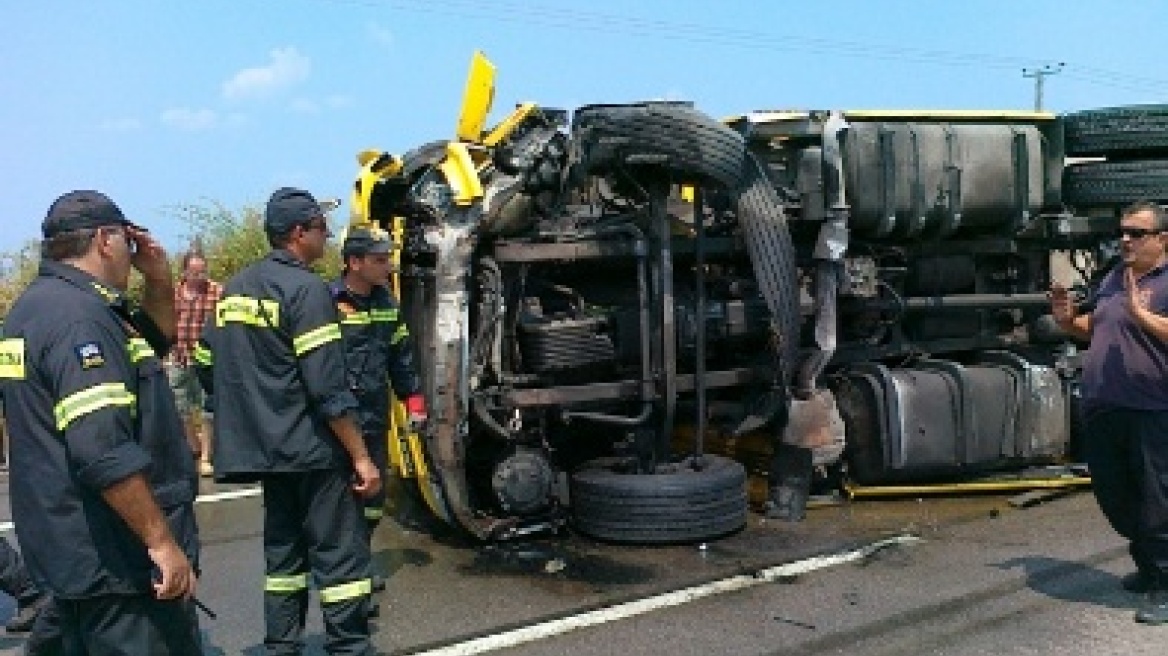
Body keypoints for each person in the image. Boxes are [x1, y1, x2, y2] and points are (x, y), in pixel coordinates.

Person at [0, 190, 201, 653]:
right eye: (128, 241)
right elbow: (101, 449)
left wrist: (158, 281)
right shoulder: (81, 319)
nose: (133, 255)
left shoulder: (40, 307)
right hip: (115, 559)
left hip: (66, 545)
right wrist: (162, 544)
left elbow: (153, 344)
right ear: (105, 241)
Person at [194, 187, 381, 655]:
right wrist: (361, 457)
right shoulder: (307, 290)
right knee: (340, 559)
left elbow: (204, 360)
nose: (327, 236)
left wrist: (257, 407)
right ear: (300, 234)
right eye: (321, 228)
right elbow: (326, 388)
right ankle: (350, 647)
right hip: (315, 451)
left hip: (269, 451)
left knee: (283, 557)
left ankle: (282, 646)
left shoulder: (236, 287)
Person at [1051, 200, 1168, 624]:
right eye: (1123, 232)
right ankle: (1148, 564)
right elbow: (1097, 326)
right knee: (1117, 494)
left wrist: (1142, 314)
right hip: (1105, 404)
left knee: (1158, 501)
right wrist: (1068, 322)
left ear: (1162, 239)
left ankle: (1165, 583)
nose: (1125, 240)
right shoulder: (1115, 278)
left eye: (1136, 233)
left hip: (1152, 408)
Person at [330, 226, 426, 612]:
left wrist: (415, 403)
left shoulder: (387, 304)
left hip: (373, 421)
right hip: (335, 425)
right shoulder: (325, 303)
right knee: (338, 505)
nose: (389, 266)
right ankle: (348, 581)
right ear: (354, 262)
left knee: (372, 501)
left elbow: (401, 359)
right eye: (380, 260)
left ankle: (357, 563)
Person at [169, 250, 222, 477]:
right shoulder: (174, 293)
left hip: (206, 360)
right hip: (179, 357)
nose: (199, 276)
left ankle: (206, 456)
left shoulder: (217, 292)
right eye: (194, 272)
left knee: (208, 408)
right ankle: (193, 447)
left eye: (203, 271)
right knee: (180, 407)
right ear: (185, 272)